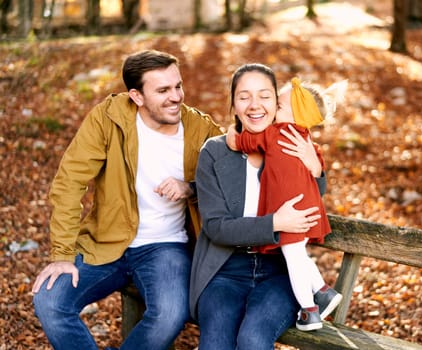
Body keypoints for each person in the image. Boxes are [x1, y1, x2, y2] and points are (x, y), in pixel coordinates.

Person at [31, 49, 223, 350]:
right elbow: (70, 182)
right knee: (50, 300)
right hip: (106, 241)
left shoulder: (201, 129)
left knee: (171, 313)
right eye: (163, 90)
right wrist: (62, 254)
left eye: (178, 86)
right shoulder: (108, 119)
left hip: (166, 247)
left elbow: (233, 176)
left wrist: (191, 187)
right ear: (136, 96)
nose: (176, 97)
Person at [189, 63, 328, 350]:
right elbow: (216, 227)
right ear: (233, 105)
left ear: (278, 103)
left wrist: (315, 167)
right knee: (216, 343)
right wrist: (274, 223)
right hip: (226, 268)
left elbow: (312, 203)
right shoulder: (214, 152)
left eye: (265, 96)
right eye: (244, 97)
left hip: (279, 270)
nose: (255, 105)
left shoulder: (293, 145)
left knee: (253, 339)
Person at [225, 77, 345, 331]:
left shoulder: (273, 134)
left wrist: (230, 134)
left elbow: (240, 142)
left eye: (278, 107)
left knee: (293, 259)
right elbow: (317, 166)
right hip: (307, 207)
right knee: (298, 255)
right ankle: (324, 292)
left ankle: (309, 310)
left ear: (294, 115)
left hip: (290, 211)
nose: (273, 111)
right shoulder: (305, 138)